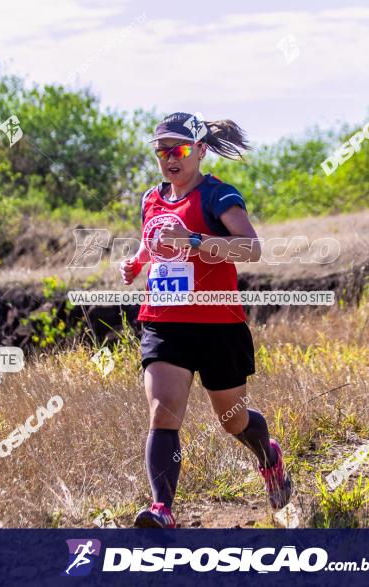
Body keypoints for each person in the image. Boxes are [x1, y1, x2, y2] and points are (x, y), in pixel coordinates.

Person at [120, 112, 292, 528]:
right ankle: (162, 508)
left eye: (177, 149)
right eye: (161, 151)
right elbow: (154, 240)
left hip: (218, 324)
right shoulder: (150, 198)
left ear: (199, 150)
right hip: (164, 321)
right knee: (162, 413)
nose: (168, 159)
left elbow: (250, 250)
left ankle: (268, 454)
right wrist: (137, 262)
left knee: (232, 419)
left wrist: (195, 242)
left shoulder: (219, 195)